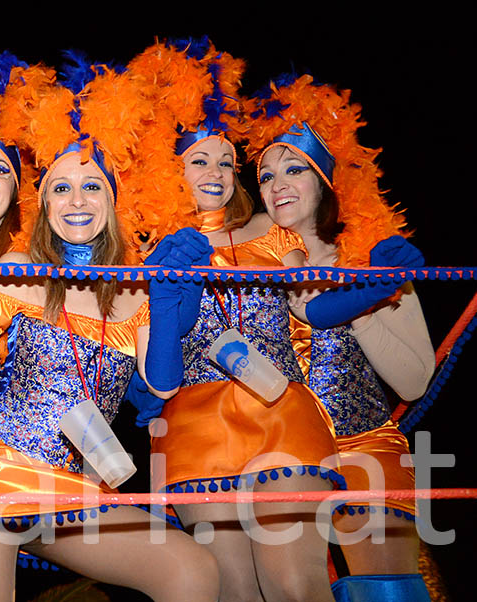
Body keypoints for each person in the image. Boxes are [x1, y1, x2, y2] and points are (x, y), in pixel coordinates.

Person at [0, 55, 219, 602]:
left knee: (191, 572)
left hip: (72, 486)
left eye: (92, 186)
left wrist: (160, 298)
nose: (77, 200)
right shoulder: (18, 269)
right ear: (43, 205)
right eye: (61, 188)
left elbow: (161, 386)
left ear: (112, 202)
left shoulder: (132, 286)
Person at [130, 40, 343, 602]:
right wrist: (165, 280)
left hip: (281, 411)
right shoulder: (147, 252)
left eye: (226, 160)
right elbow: (154, 362)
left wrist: (372, 281)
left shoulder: (278, 236)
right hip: (195, 422)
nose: (217, 171)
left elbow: (311, 299)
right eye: (199, 159)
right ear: (168, 169)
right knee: (233, 595)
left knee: (297, 586)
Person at [250, 73, 433, 601]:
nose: (277, 183)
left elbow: (415, 381)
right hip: (277, 457)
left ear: (325, 180)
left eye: (294, 169)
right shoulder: (246, 268)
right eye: (264, 175)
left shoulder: (374, 262)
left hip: (366, 447)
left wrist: (364, 299)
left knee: (387, 593)